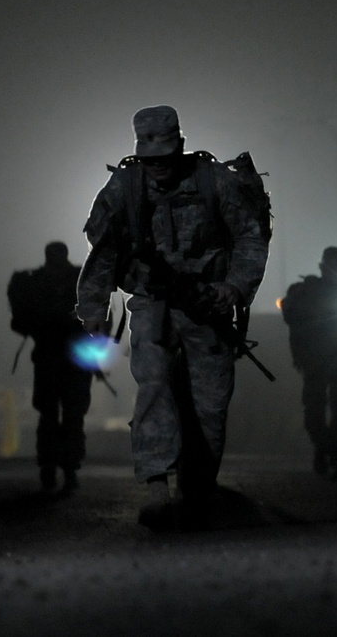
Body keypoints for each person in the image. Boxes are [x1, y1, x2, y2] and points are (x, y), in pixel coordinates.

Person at [77, 105, 271, 530]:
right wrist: (93, 310)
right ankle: (155, 484)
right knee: (155, 383)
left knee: (210, 402)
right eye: (150, 160)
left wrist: (233, 288)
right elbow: (103, 251)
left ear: (180, 146)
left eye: (165, 157)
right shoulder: (125, 187)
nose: (158, 167)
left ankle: (198, 488)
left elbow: (250, 237)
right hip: (153, 301)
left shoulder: (214, 181)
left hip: (207, 306)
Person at [8, 241, 94, 494]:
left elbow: (21, 321)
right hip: (70, 357)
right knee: (70, 415)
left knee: (53, 416)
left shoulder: (36, 281)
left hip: (51, 356)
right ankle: (66, 469)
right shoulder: (78, 279)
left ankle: (53, 468)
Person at [281, 246, 337, 480]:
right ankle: (326, 450)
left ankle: (331, 454)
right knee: (316, 410)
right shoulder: (307, 290)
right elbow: (291, 316)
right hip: (317, 359)